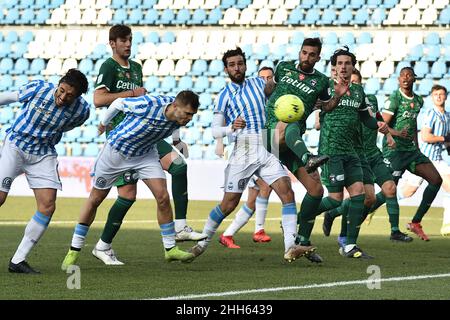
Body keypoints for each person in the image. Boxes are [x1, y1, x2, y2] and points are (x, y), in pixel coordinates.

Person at [92, 25, 205, 265]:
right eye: (123, 40)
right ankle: (103, 246)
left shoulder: (136, 68)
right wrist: (131, 95)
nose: (128, 44)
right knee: (128, 196)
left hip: (147, 137)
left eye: (130, 40)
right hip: (123, 138)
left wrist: (176, 139)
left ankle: (180, 226)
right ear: (112, 43)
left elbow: (154, 105)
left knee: (179, 166)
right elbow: (99, 100)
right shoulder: (108, 66)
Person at [189, 48, 315, 262]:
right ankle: (201, 245)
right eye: (232, 65)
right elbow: (214, 131)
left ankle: (290, 247)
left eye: (240, 63)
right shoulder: (224, 96)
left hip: (267, 144)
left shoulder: (259, 84)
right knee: (229, 204)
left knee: (287, 193)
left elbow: (281, 90)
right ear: (226, 69)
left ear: (246, 65)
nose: (237, 68)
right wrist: (231, 127)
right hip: (243, 148)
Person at [61, 91, 200, 270]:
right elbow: (119, 103)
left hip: (145, 155)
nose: (189, 119)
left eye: (192, 115)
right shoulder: (150, 105)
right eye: (187, 114)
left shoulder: (177, 116)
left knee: (162, 196)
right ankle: (74, 249)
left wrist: (177, 141)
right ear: (174, 106)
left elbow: (172, 126)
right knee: (95, 199)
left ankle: (170, 248)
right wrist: (104, 123)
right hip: (115, 153)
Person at [264, 38, 347, 263]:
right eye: (304, 52)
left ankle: (300, 243)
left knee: (316, 190)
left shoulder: (321, 82)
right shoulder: (283, 67)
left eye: (312, 55)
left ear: (318, 57)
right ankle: (308, 158)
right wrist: (268, 85)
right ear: (299, 52)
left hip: (292, 141)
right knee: (287, 125)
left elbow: (326, 107)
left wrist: (338, 95)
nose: (306, 57)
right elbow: (269, 90)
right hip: (271, 132)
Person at [0, 69, 90, 273]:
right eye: (62, 90)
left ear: (77, 97)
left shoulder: (82, 111)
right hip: (16, 146)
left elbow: (67, 126)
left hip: (43, 153)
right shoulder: (38, 88)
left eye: (70, 95)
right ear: (58, 84)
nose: (63, 97)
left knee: (47, 205)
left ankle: (18, 260)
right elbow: (10, 97)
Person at [322, 68, 413, 245]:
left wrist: (388, 135)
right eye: (351, 82)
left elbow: (378, 119)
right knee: (364, 198)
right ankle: (340, 226)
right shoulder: (340, 103)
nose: (353, 85)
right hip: (356, 154)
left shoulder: (369, 99)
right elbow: (324, 118)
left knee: (389, 189)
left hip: (373, 153)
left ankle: (394, 231)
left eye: (356, 82)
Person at [315, 47, 390, 259]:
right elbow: (315, 112)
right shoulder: (325, 87)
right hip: (333, 151)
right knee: (336, 198)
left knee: (364, 197)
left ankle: (349, 244)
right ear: (334, 68)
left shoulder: (360, 93)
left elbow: (368, 118)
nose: (344, 67)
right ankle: (303, 219)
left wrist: (379, 125)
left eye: (348, 63)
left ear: (353, 67)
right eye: (340, 64)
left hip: (358, 153)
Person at [369, 67, 443, 241]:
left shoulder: (418, 101)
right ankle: (360, 209)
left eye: (409, 76)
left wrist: (416, 146)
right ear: (398, 79)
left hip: (411, 151)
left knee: (436, 180)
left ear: (414, 79)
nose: (405, 78)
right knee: (389, 190)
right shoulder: (394, 98)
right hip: (394, 151)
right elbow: (381, 125)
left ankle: (415, 222)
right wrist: (396, 134)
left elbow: (413, 124)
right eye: (402, 76)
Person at [218, 67, 274, 248]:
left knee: (255, 195)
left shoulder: (274, 100)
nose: (266, 81)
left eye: (269, 78)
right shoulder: (246, 96)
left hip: (267, 139)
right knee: (264, 187)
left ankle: (228, 234)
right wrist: (220, 141)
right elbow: (225, 120)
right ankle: (258, 229)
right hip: (247, 144)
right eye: (262, 78)